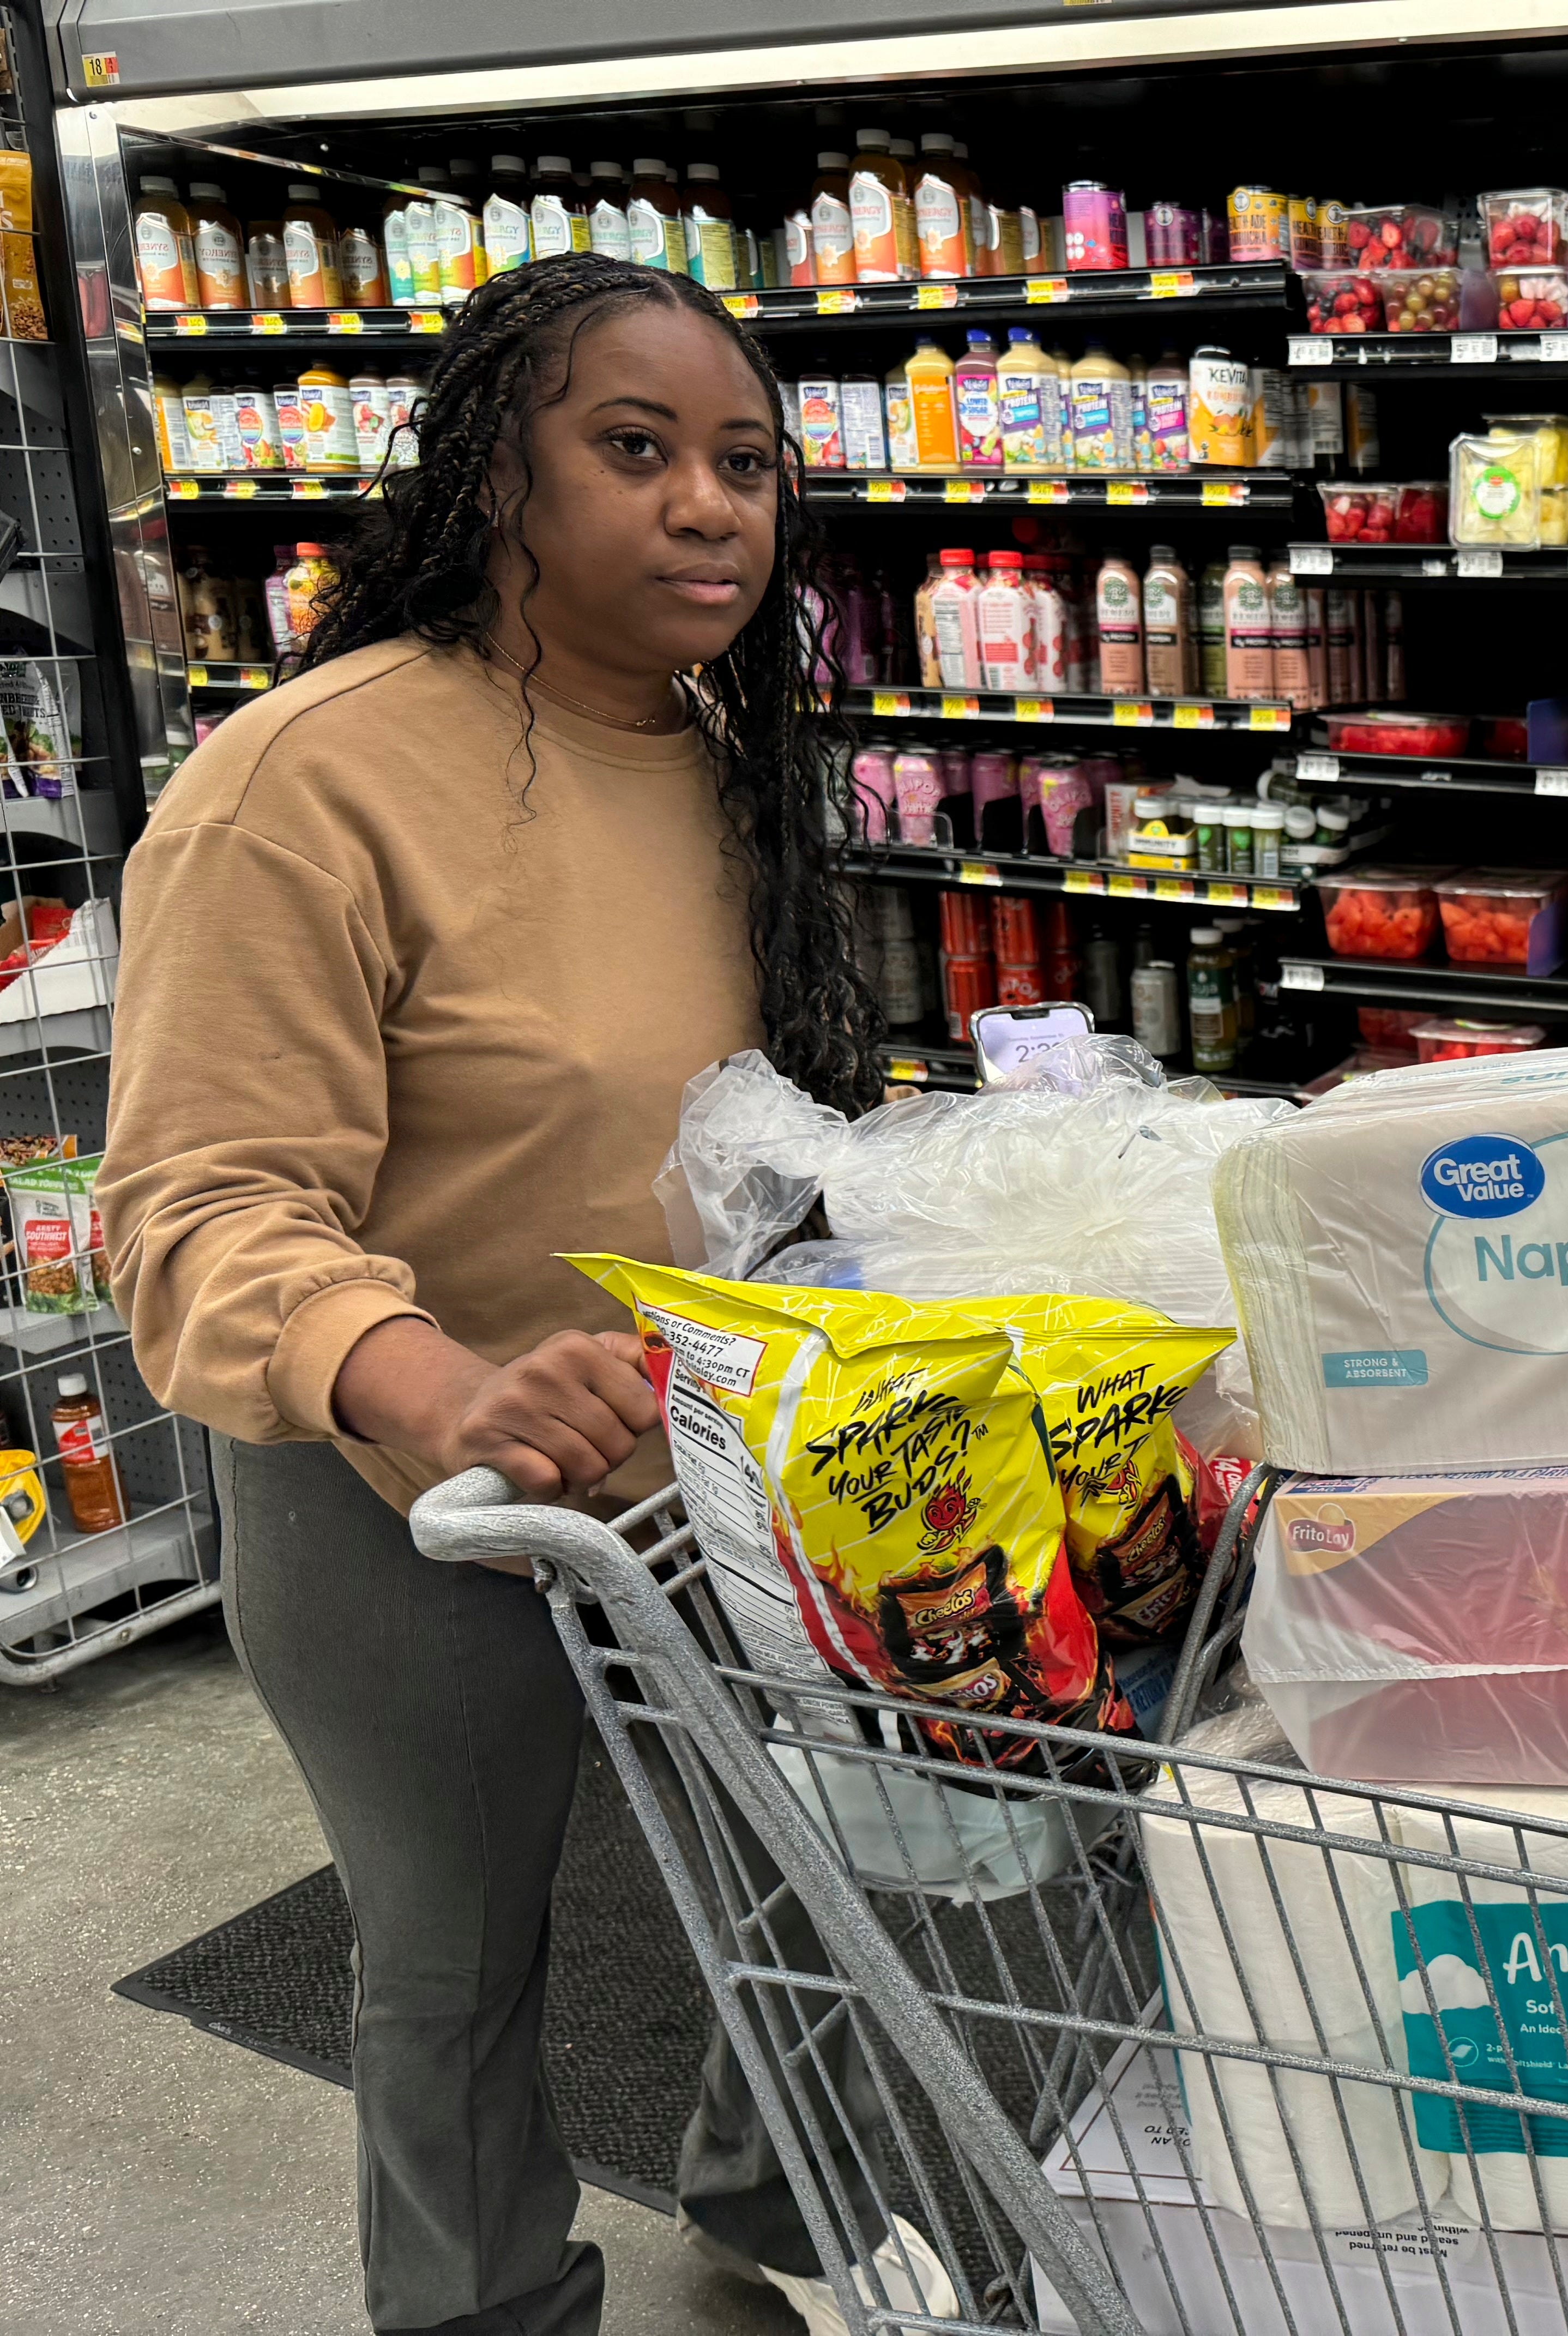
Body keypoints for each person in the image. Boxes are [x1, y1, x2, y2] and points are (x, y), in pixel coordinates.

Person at [99, 254, 945, 2336]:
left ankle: (774, 2195)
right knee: (455, 1954)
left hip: (708, 1453)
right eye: (635, 449)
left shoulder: (726, 752)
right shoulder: (307, 782)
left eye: (745, 462)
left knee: (820, 1867)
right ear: (499, 474)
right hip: (407, 1487)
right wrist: (438, 1386)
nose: (709, 507)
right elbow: (194, 1204)